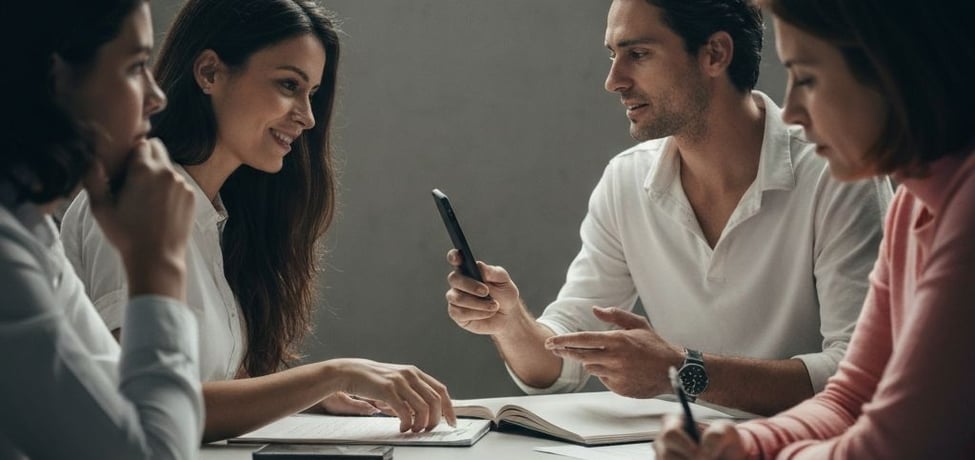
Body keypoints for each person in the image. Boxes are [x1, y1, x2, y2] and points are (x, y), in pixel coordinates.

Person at [444, 0, 893, 416]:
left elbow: (860, 376)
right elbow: (561, 363)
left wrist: (682, 370)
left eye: (637, 54)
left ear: (715, 54)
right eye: (611, 55)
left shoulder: (837, 175)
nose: (613, 80)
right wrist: (510, 323)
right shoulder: (626, 181)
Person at [61, 0, 456, 441]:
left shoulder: (211, 216)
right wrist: (332, 375)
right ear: (209, 73)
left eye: (313, 94)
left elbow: (202, 384)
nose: (307, 116)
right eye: (289, 84)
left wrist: (306, 394)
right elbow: (143, 406)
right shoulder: (130, 203)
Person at [654, 0, 975, 457]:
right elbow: (850, 397)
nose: (795, 111)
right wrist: (742, 444)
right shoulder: (911, 205)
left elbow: (893, 448)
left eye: (806, 78)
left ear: (891, 69)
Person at [0, 0, 204, 458]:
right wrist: (158, 264)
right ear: (54, 78)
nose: (157, 96)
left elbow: (118, 412)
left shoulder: (32, 231)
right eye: (135, 66)